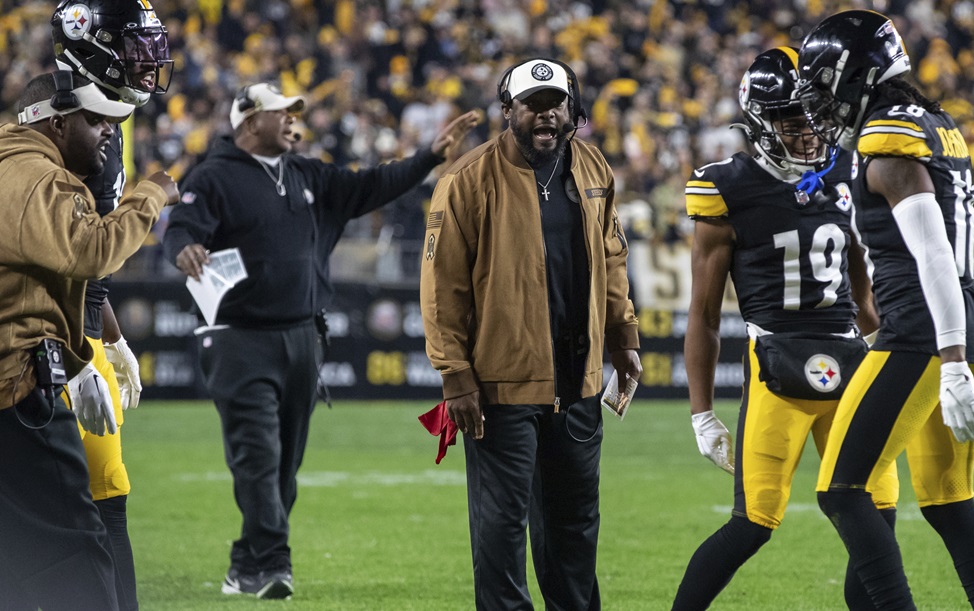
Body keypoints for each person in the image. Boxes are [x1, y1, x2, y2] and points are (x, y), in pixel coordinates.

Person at [162, 81, 478, 599]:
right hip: (239, 337)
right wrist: (183, 248)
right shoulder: (213, 176)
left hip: (302, 336)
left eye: (295, 113)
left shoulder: (306, 172)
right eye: (280, 112)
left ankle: (245, 563)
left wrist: (427, 158)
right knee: (258, 456)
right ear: (248, 122)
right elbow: (183, 224)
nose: (293, 120)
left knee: (285, 464)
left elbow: (371, 184)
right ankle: (271, 564)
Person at [671, 46, 900, 611]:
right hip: (775, 364)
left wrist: (895, 365)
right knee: (753, 524)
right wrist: (702, 413)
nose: (809, 132)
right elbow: (702, 312)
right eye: (793, 121)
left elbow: (861, 297)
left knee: (878, 525)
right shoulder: (727, 185)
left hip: (851, 361)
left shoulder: (847, 170)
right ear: (761, 123)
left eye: (814, 116)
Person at [796, 10, 974, 609]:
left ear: (856, 74)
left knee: (841, 489)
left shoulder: (885, 141)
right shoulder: (936, 124)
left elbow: (937, 253)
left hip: (923, 332)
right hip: (963, 325)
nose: (819, 103)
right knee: (948, 502)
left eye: (822, 85)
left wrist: (951, 360)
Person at [420, 57, 642, 610]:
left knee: (575, 530)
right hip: (500, 386)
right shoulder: (466, 179)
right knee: (500, 531)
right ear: (508, 111)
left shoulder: (593, 167)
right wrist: (455, 375)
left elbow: (612, 258)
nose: (545, 116)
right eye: (532, 106)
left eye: (555, 104)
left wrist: (624, 337)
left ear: (573, 110)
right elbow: (442, 285)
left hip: (580, 378)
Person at [0, 72, 177, 611]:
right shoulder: (36, 177)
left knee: (17, 562)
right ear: (55, 122)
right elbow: (92, 250)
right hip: (16, 392)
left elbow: (48, 280)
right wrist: (151, 193)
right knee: (76, 555)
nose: (108, 132)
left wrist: (81, 357)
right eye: (96, 120)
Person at [51, 1, 173, 608]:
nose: (149, 60)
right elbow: (67, 257)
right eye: (135, 45)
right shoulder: (61, 125)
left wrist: (115, 339)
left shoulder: (106, 118)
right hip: (44, 344)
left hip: (75, 332)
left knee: (103, 498)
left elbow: (89, 268)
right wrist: (74, 355)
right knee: (88, 504)